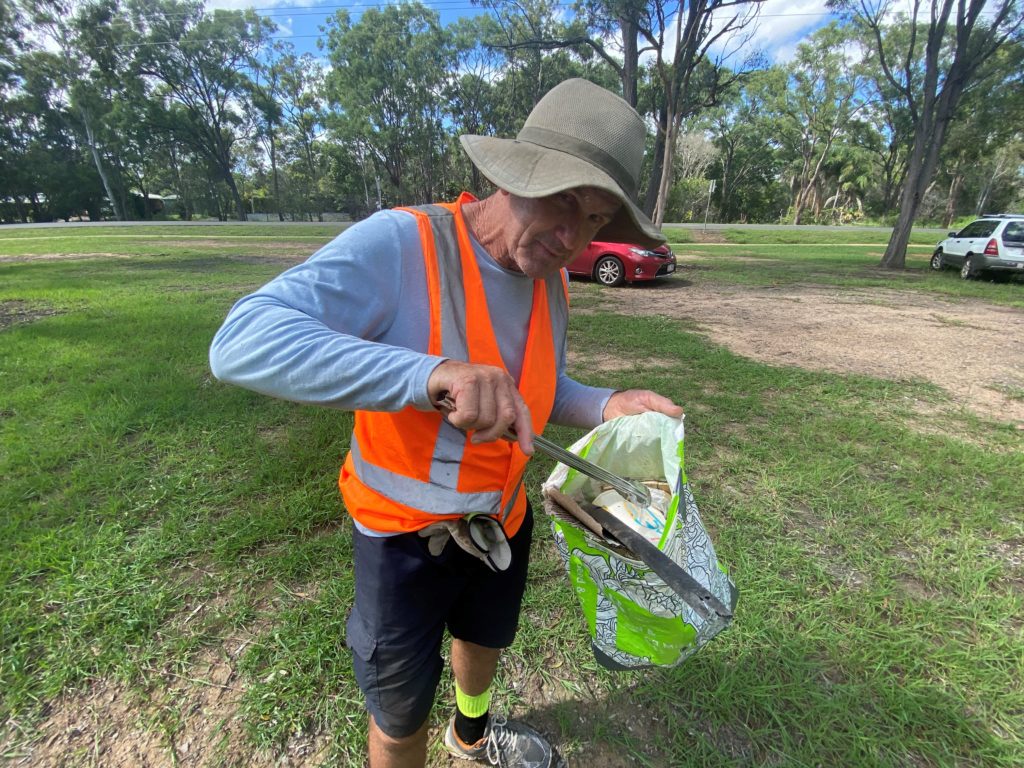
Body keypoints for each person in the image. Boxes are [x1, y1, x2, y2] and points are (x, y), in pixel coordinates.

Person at [209, 77, 683, 768]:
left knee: (483, 645)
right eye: (564, 202)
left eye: (593, 220)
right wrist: (429, 374)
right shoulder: (403, 242)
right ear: (514, 174)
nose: (571, 236)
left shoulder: (546, 275)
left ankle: (470, 738)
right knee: (400, 713)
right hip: (405, 542)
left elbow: (534, 393)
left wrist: (607, 402)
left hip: (502, 523)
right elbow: (242, 341)